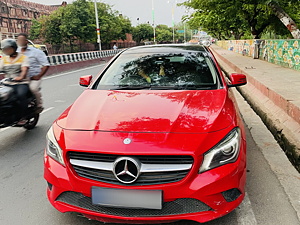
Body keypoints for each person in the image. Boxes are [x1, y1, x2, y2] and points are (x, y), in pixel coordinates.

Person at [17, 33, 50, 113]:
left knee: (33, 89)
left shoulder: (36, 52)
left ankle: (39, 105)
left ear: (26, 41)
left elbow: (46, 65)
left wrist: (39, 76)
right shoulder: (15, 52)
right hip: (20, 78)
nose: (20, 42)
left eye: (22, 40)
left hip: (33, 77)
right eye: (19, 40)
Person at [0, 39, 30, 124]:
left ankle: (22, 117)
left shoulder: (23, 58)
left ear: (14, 48)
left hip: (20, 83)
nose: (6, 51)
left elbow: (24, 69)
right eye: (5, 49)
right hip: (7, 83)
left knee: (21, 95)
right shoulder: (4, 59)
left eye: (8, 49)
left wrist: (20, 77)